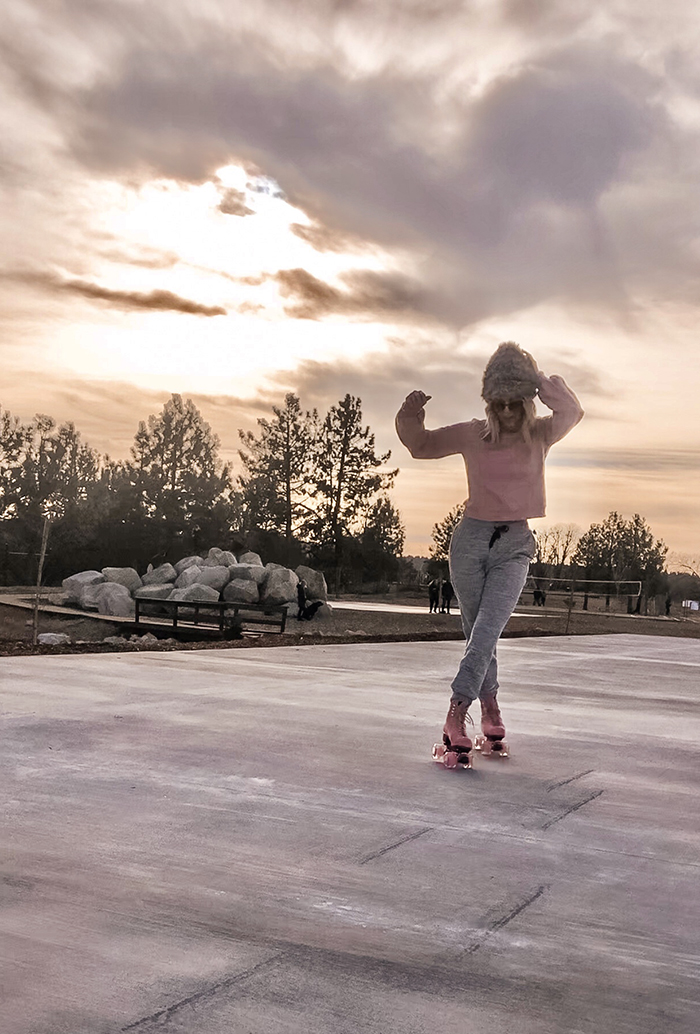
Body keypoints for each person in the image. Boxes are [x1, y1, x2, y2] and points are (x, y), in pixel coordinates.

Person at [396, 341, 583, 767]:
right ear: (488, 404)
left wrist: (532, 379)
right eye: (497, 404)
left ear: (526, 401)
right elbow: (420, 445)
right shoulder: (472, 434)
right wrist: (409, 416)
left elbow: (572, 411)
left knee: (486, 631)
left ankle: (456, 713)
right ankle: (492, 710)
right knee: (480, 635)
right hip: (469, 543)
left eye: (514, 403)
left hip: (515, 545)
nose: (506, 413)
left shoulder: (541, 434)